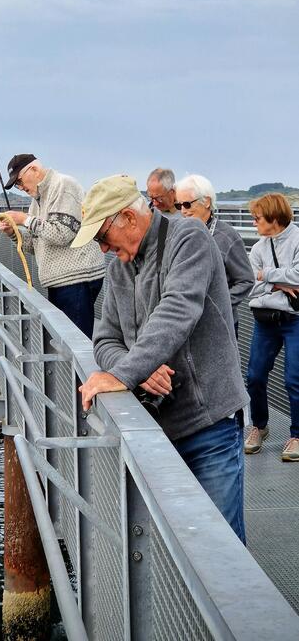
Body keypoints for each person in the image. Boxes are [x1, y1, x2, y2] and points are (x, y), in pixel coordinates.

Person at [71, 174, 249, 542]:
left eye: (103, 237)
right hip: (158, 431)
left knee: (222, 550)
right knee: (176, 553)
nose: (103, 249)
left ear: (129, 219)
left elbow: (178, 309)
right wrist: (137, 368)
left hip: (209, 425)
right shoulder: (120, 266)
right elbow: (104, 339)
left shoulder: (189, 238)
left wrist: (123, 374)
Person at [0, 153, 105, 339]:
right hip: (61, 282)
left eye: (20, 181)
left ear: (34, 170)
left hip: (77, 279)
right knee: (64, 342)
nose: (20, 187)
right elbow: (34, 246)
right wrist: (13, 233)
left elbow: (61, 233)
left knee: (75, 343)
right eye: (16, 185)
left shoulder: (63, 185)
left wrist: (25, 219)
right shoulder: (37, 201)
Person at [244, 193, 299, 461]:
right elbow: (248, 285)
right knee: (254, 376)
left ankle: (297, 435)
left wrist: (265, 276)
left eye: (257, 218)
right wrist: (279, 283)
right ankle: (259, 426)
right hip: (265, 320)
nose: (254, 223)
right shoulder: (257, 249)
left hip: (294, 321)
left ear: (274, 218)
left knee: (294, 379)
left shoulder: (298, 240)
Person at [174, 174, 253, 333]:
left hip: (220, 324)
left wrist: (219, 304)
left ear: (207, 202)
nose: (183, 211)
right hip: (187, 323)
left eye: (188, 204)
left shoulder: (227, 236)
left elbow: (246, 280)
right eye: (179, 205)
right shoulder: (179, 232)